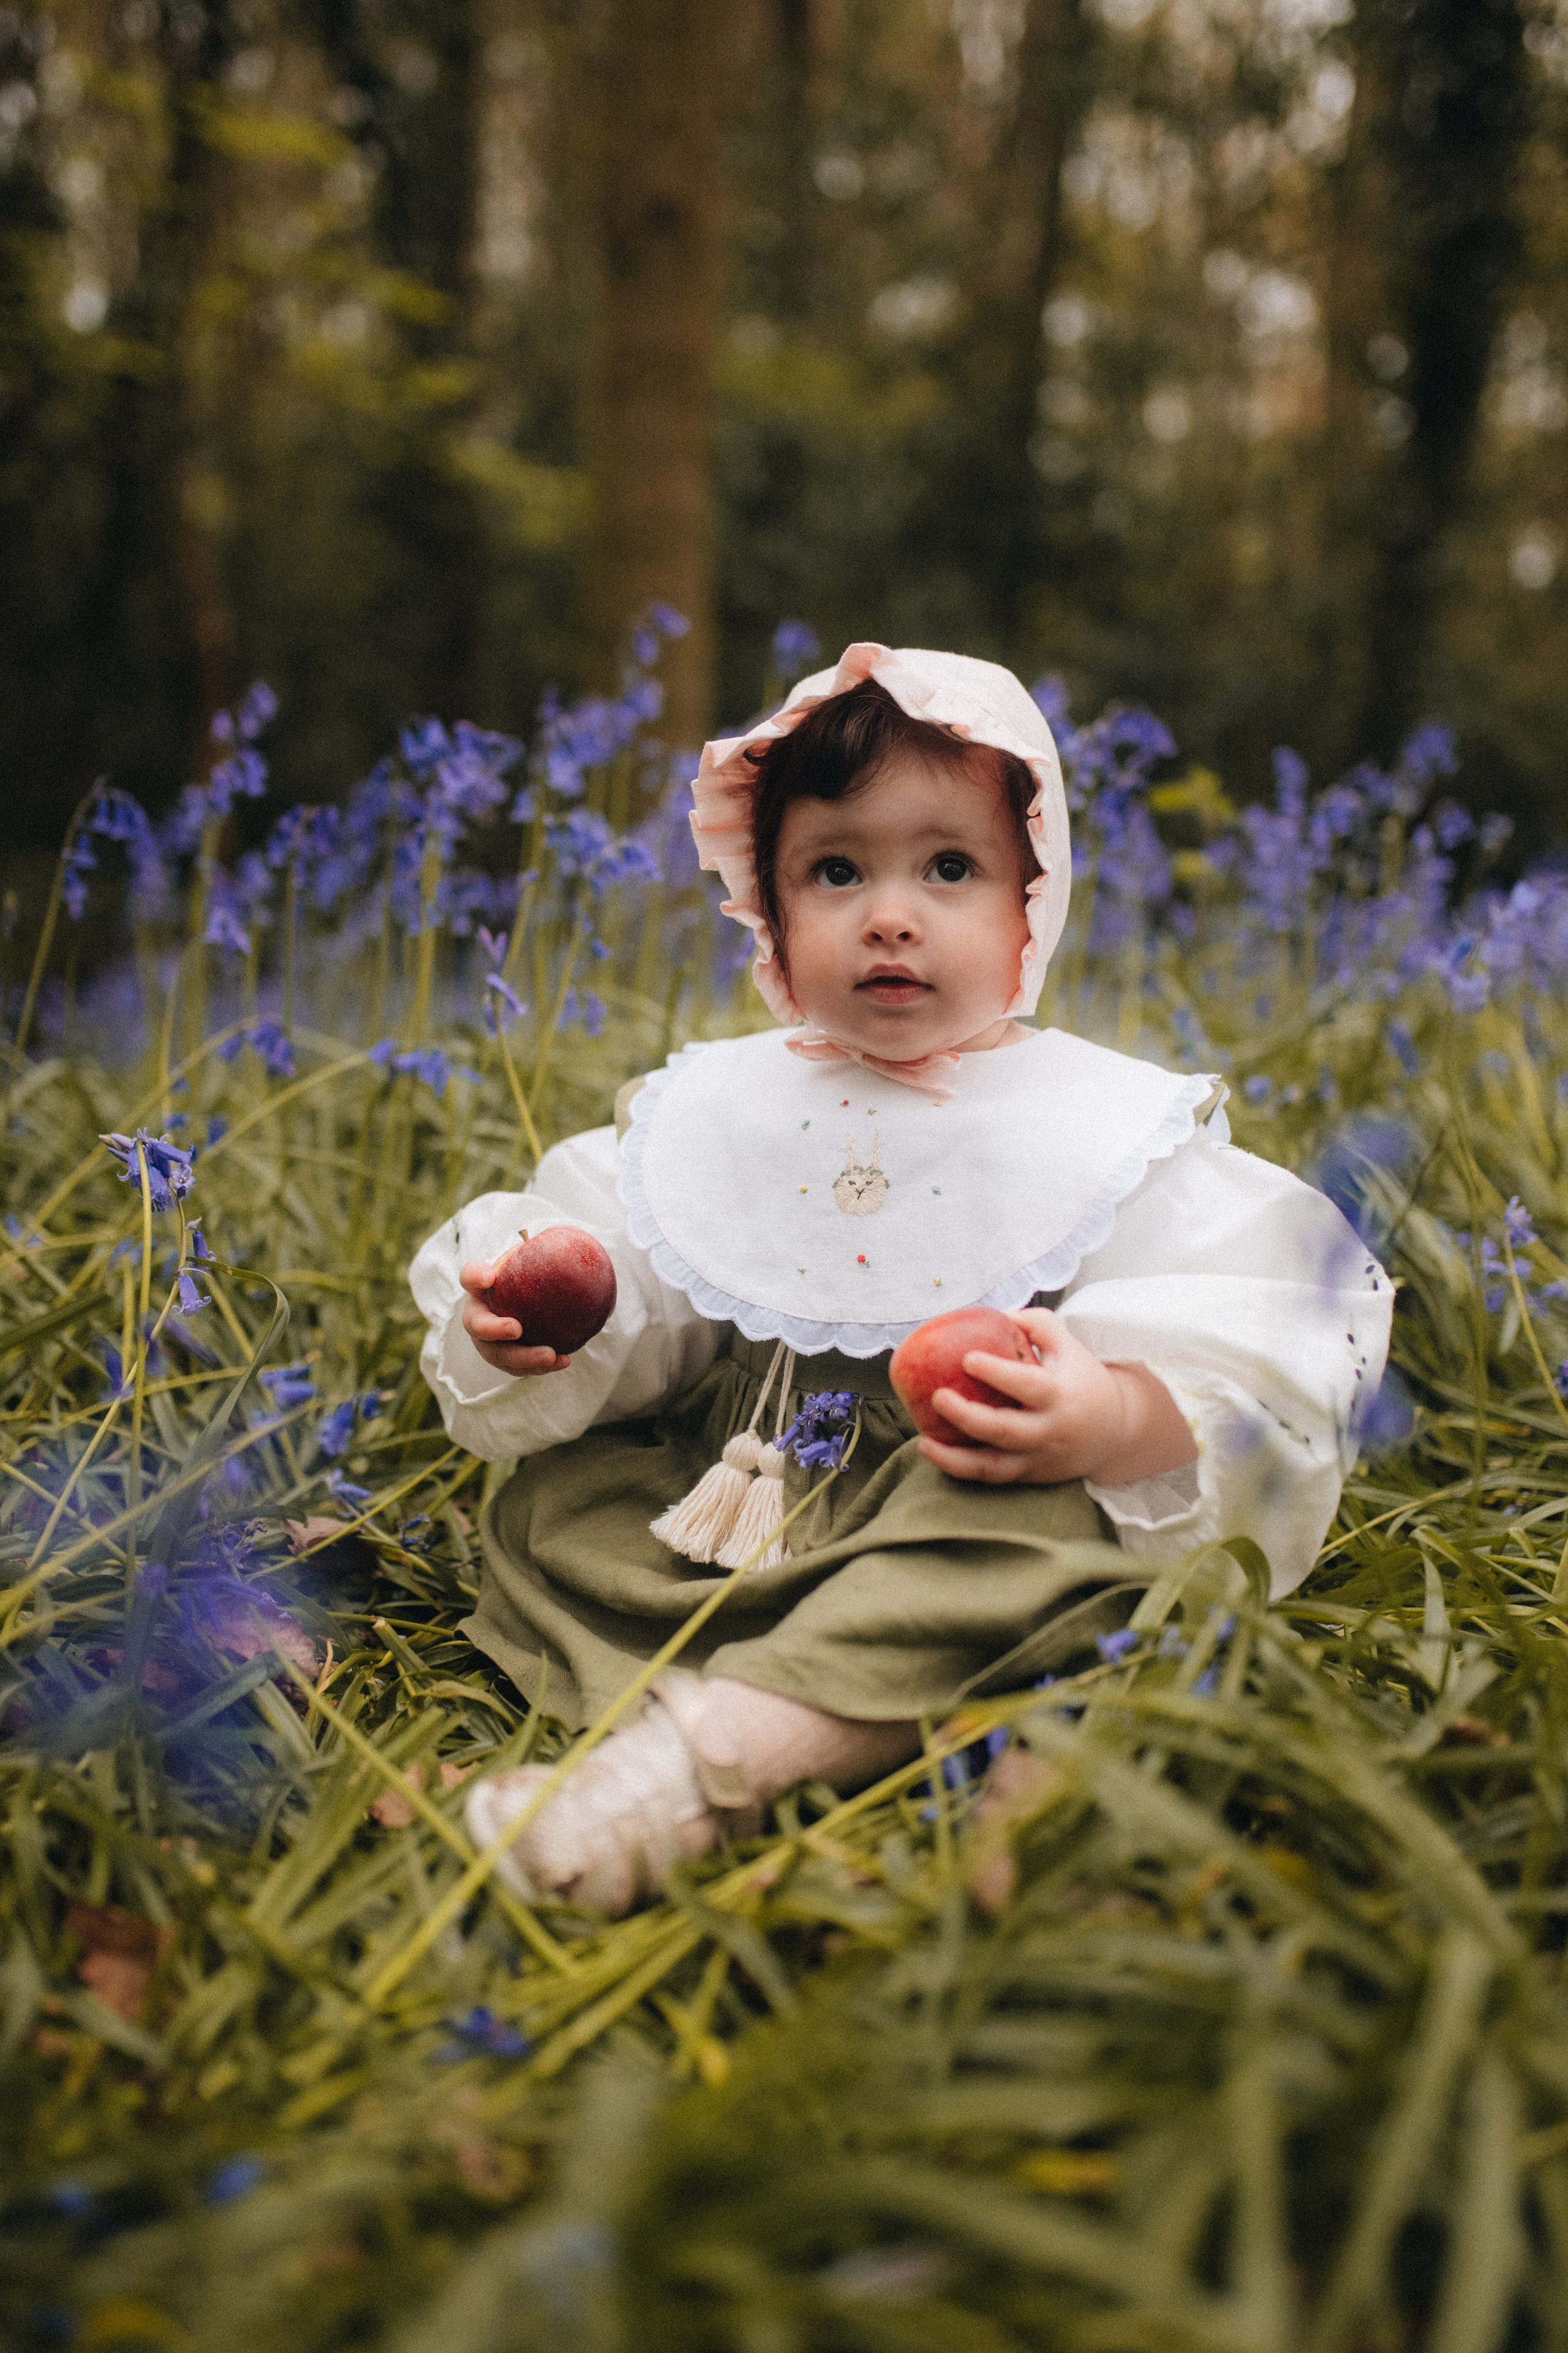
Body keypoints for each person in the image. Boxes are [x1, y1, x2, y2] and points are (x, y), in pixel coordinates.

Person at [410, 643, 1392, 1916]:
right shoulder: (715, 1105)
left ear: (1027, 899)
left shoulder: (1087, 1124)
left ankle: (701, 1767)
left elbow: (1242, 1328)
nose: (889, 913)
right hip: (725, 1499)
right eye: (834, 870)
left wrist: (1107, 1415)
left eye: (947, 868)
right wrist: (571, 1308)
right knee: (564, 1498)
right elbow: (669, 1308)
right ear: (766, 904)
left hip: (956, 1497)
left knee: (1041, 1540)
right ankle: (942, 1720)